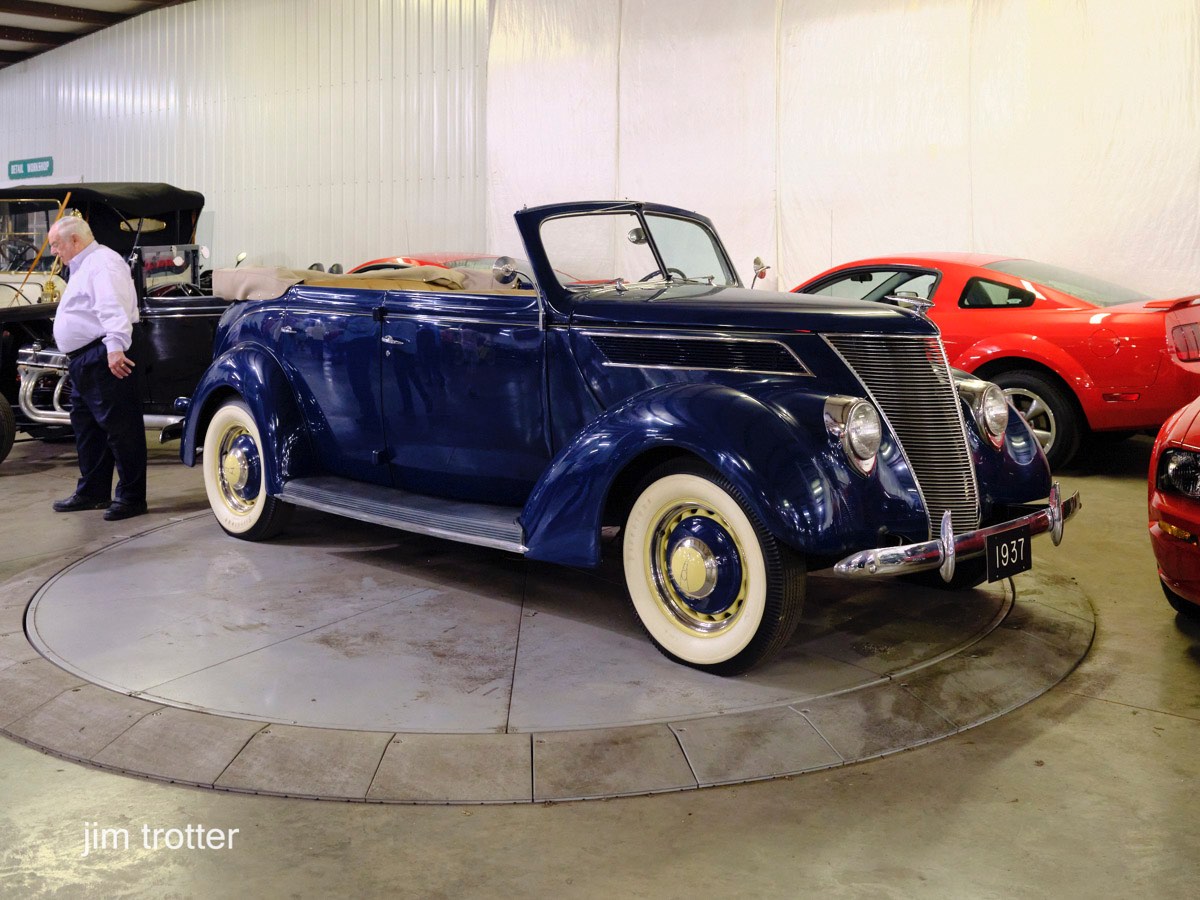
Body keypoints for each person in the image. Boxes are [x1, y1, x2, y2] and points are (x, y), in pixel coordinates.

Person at [48, 215, 147, 520]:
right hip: (85, 358)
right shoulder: (83, 266)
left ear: (75, 240)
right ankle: (93, 491)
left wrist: (115, 347)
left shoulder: (103, 262)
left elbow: (112, 306)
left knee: (121, 427)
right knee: (87, 428)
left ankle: (132, 498)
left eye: (56, 244)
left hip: (104, 352)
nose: (53, 252)